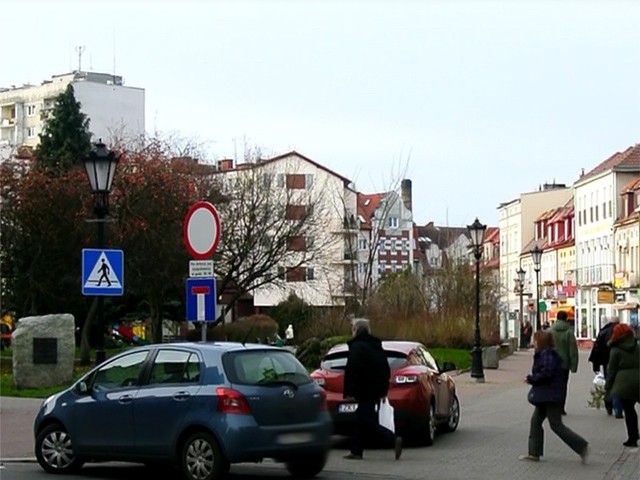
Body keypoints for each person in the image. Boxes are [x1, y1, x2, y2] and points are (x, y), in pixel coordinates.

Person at [519, 330, 589, 463]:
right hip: (546, 395)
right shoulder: (545, 353)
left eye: (535, 340)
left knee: (556, 425)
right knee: (536, 422)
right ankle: (534, 453)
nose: (533, 343)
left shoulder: (547, 355)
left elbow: (547, 373)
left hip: (550, 395)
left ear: (540, 341)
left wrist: (532, 379)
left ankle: (581, 445)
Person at [343, 317, 402, 461]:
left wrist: (349, 391)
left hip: (365, 390)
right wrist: (383, 390)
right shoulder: (375, 346)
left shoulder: (358, 347)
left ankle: (393, 439)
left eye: (353, 329)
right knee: (360, 420)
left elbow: (352, 370)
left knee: (368, 421)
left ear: (356, 330)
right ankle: (356, 451)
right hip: (375, 389)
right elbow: (384, 369)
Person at [604, 323, 640, 447]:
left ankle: (633, 438)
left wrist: (608, 386)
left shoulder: (615, 349)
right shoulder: (637, 346)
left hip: (624, 384)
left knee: (629, 411)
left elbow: (612, 370)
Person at [589, 316, 624, 417]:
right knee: (618, 385)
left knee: (609, 384)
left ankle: (609, 405)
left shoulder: (603, 332)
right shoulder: (623, 332)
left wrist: (595, 365)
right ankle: (618, 409)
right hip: (620, 363)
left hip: (606, 363)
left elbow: (597, 348)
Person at [550, 310, 579, 415]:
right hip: (564, 364)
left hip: (552, 364)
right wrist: (574, 365)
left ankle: (552, 406)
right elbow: (573, 350)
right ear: (566, 319)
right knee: (562, 385)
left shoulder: (550, 331)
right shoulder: (569, 332)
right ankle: (561, 407)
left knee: (552, 385)